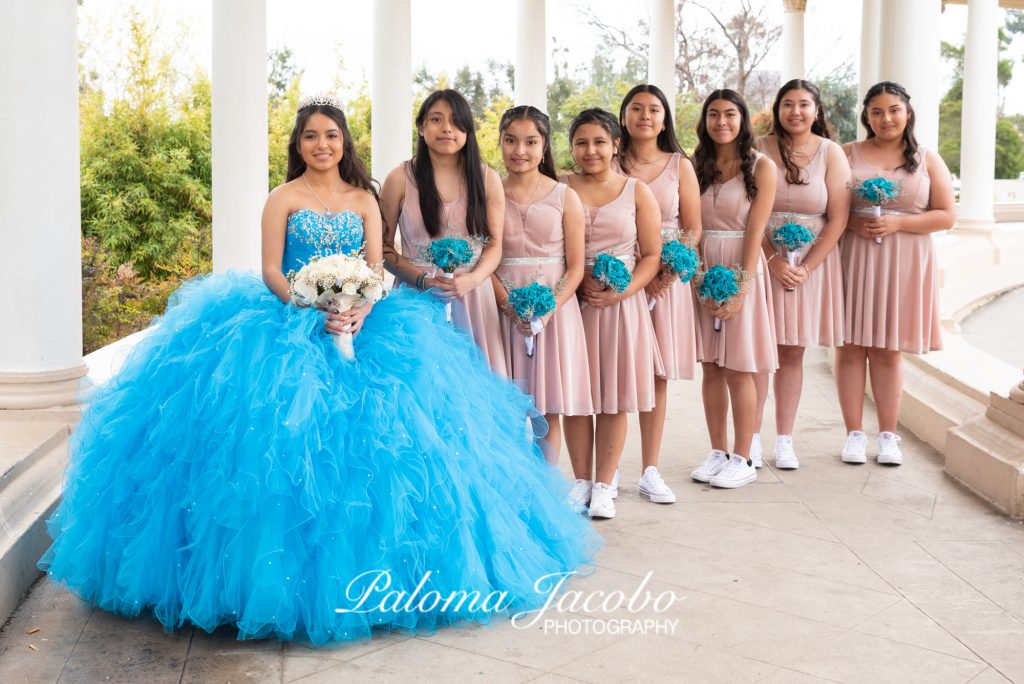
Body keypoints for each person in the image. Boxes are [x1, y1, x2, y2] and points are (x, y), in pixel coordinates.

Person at [39, 95, 601, 645]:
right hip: (286, 320)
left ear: (344, 143)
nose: (322, 144)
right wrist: (311, 304)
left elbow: (379, 269)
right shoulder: (282, 197)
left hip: (365, 321)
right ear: (298, 144)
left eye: (331, 135)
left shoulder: (364, 198)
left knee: (402, 442)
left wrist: (356, 308)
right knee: (273, 441)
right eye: (311, 135)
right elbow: (268, 270)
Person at [837, 81, 955, 465]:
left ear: (908, 113)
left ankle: (888, 435)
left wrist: (898, 224)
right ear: (866, 116)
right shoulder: (846, 154)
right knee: (851, 347)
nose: (886, 118)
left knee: (888, 350)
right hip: (854, 256)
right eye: (876, 111)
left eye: (893, 110)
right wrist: (854, 225)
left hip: (903, 261)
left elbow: (946, 215)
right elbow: (829, 208)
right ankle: (853, 434)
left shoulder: (926, 159)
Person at [561, 108, 663, 519]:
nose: (591, 150)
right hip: (573, 302)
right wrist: (577, 278)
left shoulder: (636, 191)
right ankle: (581, 480)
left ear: (616, 145)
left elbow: (652, 255)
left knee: (614, 396)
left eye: (600, 142)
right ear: (571, 147)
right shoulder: (561, 188)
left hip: (622, 307)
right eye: (582, 142)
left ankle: (605, 484)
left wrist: (622, 291)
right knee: (576, 394)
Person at [751, 79, 851, 470]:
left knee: (792, 351)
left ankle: (786, 439)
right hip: (763, 256)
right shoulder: (758, 148)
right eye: (787, 104)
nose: (795, 112)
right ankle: (751, 437)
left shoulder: (832, 153)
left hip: (812, 263)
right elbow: (746, 209)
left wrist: (806, 266)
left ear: (816, 110)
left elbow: (839, 218)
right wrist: (771, 259)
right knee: (759, 351)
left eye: (804, 104)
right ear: (777, 110)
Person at [614, 84, 702, 504]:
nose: (644, 116)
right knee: (613, 367)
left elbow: (693, 227)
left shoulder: (679, 164)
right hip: (617, 274)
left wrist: (670, 268)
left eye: (653, 109)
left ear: (664, 119)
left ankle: (650, 468)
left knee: (657, 373)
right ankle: (605, 471)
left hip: (666, 279)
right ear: (624, 115)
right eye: (636, 108)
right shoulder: (608, 159)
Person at [380, 89, 507, 375]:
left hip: (472, 296)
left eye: (455, 121)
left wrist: (472, 279)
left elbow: (495, 245)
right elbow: (383, 248)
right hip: (415, 297)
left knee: (474, 387)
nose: (446, 128)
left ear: (467, 130)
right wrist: (422, 280)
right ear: (422, 127)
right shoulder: (400, 178)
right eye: (436, 119)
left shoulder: (488, 178)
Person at [689, 89, 778, 490]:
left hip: (743, 262)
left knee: (739, 365)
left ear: (742, 120)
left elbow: (756, 231)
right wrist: (698, 277)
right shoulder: (695, 166)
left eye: (729, 114)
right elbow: (690, 227)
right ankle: (718, 450)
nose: (721, 122)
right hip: (704, 264)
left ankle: (743, 456)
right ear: (704, 121)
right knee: (711, 364)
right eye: (713, 114)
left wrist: (741, 288)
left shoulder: (761, 167)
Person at [492, 105, 593, 461]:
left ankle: (546, 493)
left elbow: (576, 266)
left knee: (546, 411)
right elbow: (484, 257)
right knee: (503, 406)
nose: (520, 150)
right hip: (498, 307)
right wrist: (508, 305)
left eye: (530, 142)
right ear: (500, 142)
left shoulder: (565, 196)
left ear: (544, 146)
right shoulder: (488, 192)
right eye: (511, 141)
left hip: (553, 311)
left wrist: (547, 308)